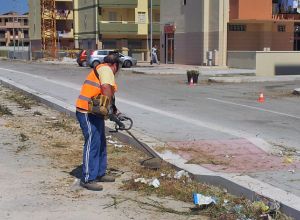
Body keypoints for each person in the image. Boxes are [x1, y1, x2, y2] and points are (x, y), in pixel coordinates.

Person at [76, 52, 120, 191]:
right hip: (86, 111)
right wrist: (109, 107)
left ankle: (100, 173)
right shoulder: (107, 69)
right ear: (115, 65)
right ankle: (88, 178)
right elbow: (106, 89)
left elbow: (106, 93)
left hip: (94, 111)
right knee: (92, 143)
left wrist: (114, 109)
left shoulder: (102, 69)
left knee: (100, 142)